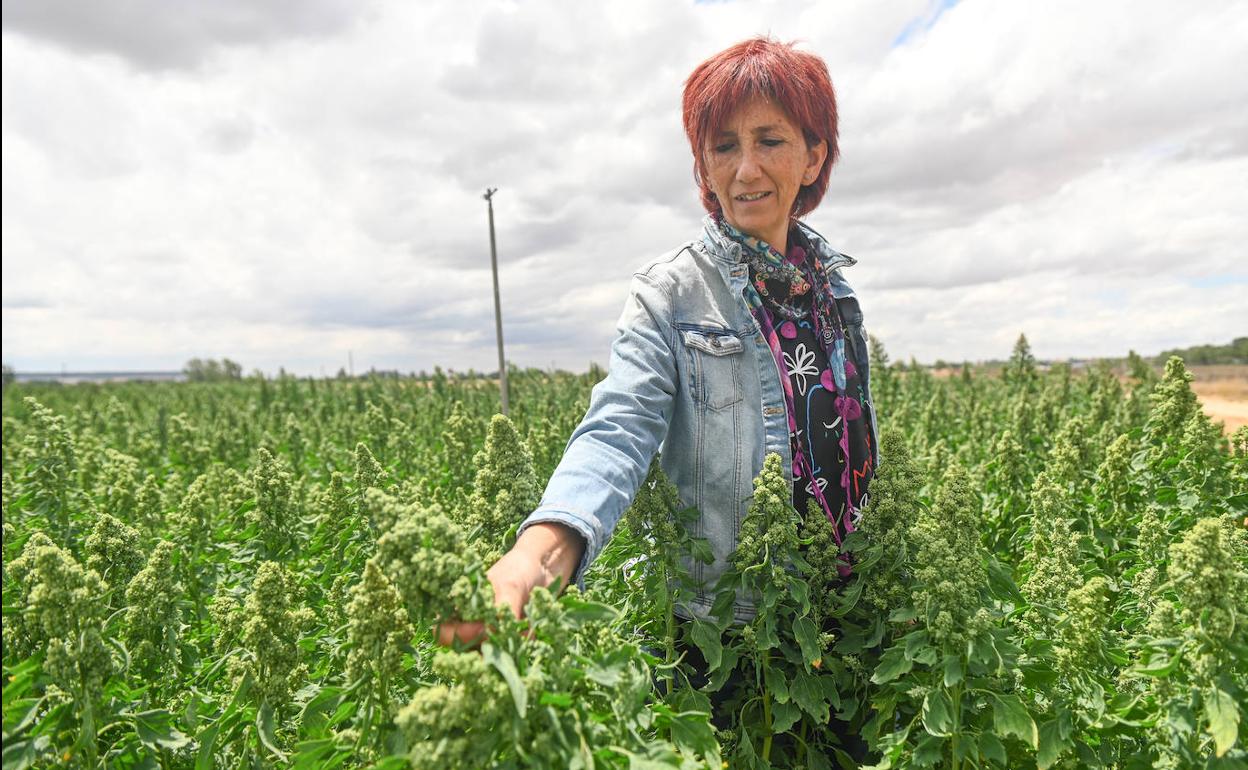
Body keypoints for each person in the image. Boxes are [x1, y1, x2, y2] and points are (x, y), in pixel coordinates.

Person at [440, 33, 877, 718]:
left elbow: (850, 451)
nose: (744, 169)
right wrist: (539, 554)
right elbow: (617, 429)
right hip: (728, 625)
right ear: (702, 165)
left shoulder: (832, 290)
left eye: (769, 140)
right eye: (723, 146)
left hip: (846, 613)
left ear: (813, 155)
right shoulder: (670, 296)